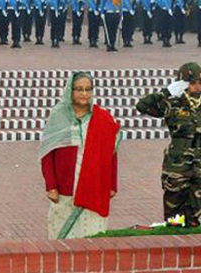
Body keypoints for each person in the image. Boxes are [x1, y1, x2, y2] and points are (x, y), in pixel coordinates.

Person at [40, 71, 121, 239]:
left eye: (88, 89)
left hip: (94, 188)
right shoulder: (58, 117)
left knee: (91, 239)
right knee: (61, 240)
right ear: (70, 91)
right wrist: (51, 186)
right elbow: (47, 154)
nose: (84, 94)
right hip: (65, 189)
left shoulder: (103, 118)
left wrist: (112, 184)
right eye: (79, 89)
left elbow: (111, 154)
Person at [136, 62, 201, 226]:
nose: (197, 86)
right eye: (192, 83)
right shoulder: (172, 103)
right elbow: (142, 106)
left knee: (195, 215)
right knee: (174, 216)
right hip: (177, 165)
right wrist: (165, 92)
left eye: (199, 82)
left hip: (199, 165)